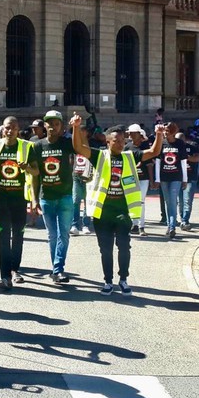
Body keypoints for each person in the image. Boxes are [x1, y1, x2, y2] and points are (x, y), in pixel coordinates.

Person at [71, 117, 163, 296]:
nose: (121, 144)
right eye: (117, 141)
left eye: (123, 141)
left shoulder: (129, 156)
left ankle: (123, 279)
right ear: (107, 142)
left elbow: (153, 152)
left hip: (122, 211)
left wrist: (159, 134)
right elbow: (78, 148)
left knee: (124, 246)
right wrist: (75, 128)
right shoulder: (99, 156)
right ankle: (107, 281)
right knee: (105, 249)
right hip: (103, 211)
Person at [0, 116, 37, 289]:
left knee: (18, 234)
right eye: (7, 127)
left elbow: (36, 172)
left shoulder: (27, 147)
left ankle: (15, 270)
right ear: (2, 128)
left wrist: (26, 167)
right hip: (1, 197)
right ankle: (4, 275)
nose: (10, 130)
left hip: (19, 198)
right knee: (4, 234)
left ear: (18, 129)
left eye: (13, 127)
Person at [31, 111, 75, 283]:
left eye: (57, 124)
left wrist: (76, 128)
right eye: (50, 123)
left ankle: (58, 269)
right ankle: (56, 268)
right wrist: (34, 199)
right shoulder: (37, 146)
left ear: (61, 127)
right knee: (52, 235)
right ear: (45, 126)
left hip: (65, 196)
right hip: (46, 197)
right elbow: (35, 175)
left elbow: (80, 147)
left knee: (64, 234)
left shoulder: (66, 143)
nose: (53, 127)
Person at [154, 122, 187, 239]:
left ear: (173, 132)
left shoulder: (180, 144)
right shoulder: (161, 143)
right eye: (165, 131)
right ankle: (169, 225)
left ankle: (172, 227)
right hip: (163, 177)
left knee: (173, 201)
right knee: (168, 202)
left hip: (176, 177)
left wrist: (185, 179)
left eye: (168, 131)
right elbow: (157, 162)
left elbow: (183, 162)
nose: (165, 133)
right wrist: (157, 179)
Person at [125, 124, 152, 236]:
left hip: (143, 177)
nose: (130, 134)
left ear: (139, 134)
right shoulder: (127, 147)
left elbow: (150, 164)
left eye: (132, 133)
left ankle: (141, 226)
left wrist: (152, 180)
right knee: (131, 201)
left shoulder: (145, 147)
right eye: (129, 133)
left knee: (141, 201)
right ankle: (133, 224)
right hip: (129, 177)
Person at [70, 126, 93, 236]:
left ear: (87, 133)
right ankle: (74, 224)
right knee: (75, 201)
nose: (81, 134)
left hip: (89, 177)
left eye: (83, 131)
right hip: (76, 176)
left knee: (87, 201)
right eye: (79, 132)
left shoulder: (92, 144)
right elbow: (70, 159)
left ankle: (86, 225)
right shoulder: (74, 144)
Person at [178, 132, 199, 231]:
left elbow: (197, 158)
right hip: (178, 177)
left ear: (184, 139)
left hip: (190, 177)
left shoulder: (192, 146)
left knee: (187, 200)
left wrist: (185, 157)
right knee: (180, 201)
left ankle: (185, 220)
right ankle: (182, 218)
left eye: (179, 140)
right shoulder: (174, 148)